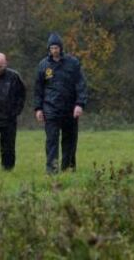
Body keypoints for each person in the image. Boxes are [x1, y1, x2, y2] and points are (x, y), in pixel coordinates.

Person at [34, 32, 88, 174]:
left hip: (70, 109)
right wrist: (38, 108)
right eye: (52, 48)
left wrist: (80, 104)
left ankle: (68, 168)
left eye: (56, 47)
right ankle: (51, 170)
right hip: (50, 109)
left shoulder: (73, 63)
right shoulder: (43, 65)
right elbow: (38, 88)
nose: (54, 50)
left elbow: (80, 84)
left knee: (69, 141)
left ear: (61, 48)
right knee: (51, 141)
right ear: (49, 49)